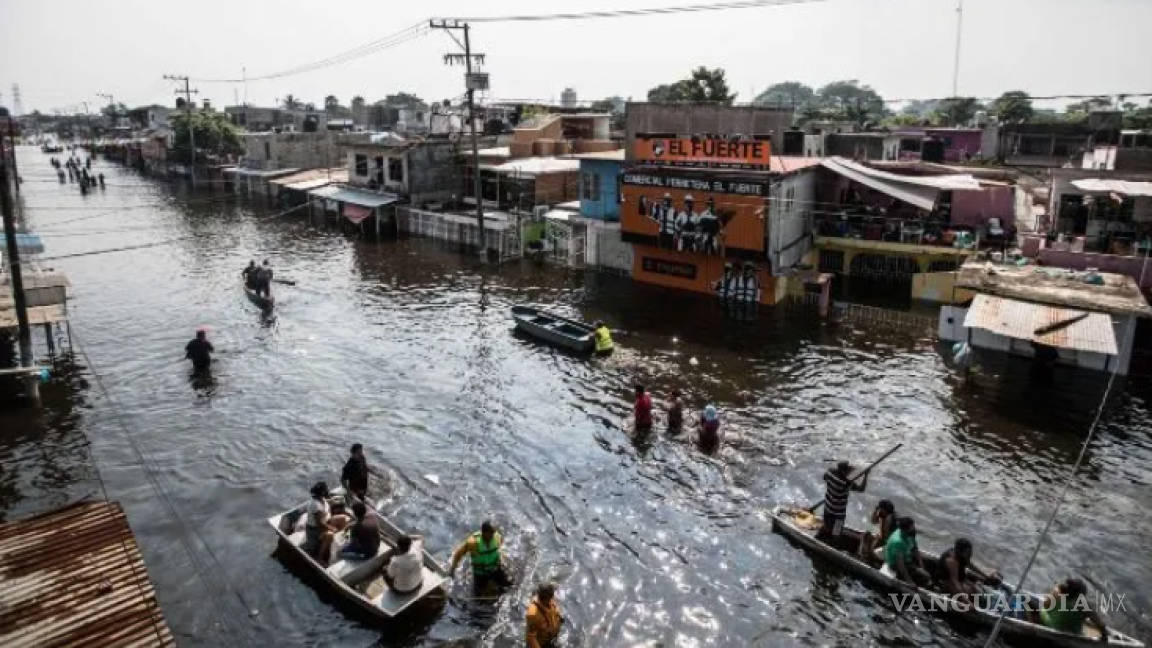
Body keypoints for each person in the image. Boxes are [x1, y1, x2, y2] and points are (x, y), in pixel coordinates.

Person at [1031, 578, 1108, 640]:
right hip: (1072, 632)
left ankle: (1034, 619)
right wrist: (1104, 635)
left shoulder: (1057, 593)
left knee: (1030, 600)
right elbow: (1100, 624)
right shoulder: (1084, 605)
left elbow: (1046, 605)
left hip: (1050, 623)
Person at [449, 520, 511, 588]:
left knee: (508, 585)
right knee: (478, 594)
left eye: (493, 532)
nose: (493, 535)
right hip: (480, 573)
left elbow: (500, 547)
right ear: (484, 532)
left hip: (495, 569)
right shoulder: (473, 543)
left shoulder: (497, 537)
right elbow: (459, 554)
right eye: (491, 533)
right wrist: (453, 568)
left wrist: (502, 557)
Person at [933, 538, 1001, 596]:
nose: (968, 554)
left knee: (981, 583)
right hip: (945, 582)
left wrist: (986, 576)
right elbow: (955, 583)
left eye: (969, 551)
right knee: (974, 591)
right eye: (967, 552)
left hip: (960, 578)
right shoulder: (952, 561)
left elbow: (970, 565)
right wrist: (968, 602)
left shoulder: (962, 555)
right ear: (960, 551)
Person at [302, 481, 350, 566]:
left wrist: (333, 501)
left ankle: (339, 539)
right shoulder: (316, 506)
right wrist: (332, 528)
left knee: (344, 518)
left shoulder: (321, 499)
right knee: (330, 534)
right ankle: (319, 557)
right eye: (325, 490)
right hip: (316, 530)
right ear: (322, 492)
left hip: (327, 521)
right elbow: (320, 523)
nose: (327, 490)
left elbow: (327, 504)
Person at [819, 460, 867, 540]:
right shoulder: (846, 483)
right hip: (839, 513)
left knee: (827, 526)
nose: (849, 472)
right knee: (836, 532)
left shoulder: (830, 472)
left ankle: (825, 537)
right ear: (844, 471)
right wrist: (866, 475)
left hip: (828, 507)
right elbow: (861, 489)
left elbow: (824, 477)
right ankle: (834, 543)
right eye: (847, 470)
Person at [882, 517, 928, 585]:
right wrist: (910, 582)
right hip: (895, 564)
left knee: (928, 567)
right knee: (924, 577)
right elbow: (901, 565)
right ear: (905, 529)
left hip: (907, 556)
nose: (914, 528)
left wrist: (922, 566)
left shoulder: (910, 533)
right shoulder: (898, 542)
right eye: (912, 527)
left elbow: (915, 549)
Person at [525, 581, 563, 648]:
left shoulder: (550, 601)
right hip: (543, 644)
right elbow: (531, 638)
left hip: (552, 636)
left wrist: (559, 617)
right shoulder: (533, 614)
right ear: (546, 598)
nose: (553, 597)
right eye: (551, 596)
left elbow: (555, 609)